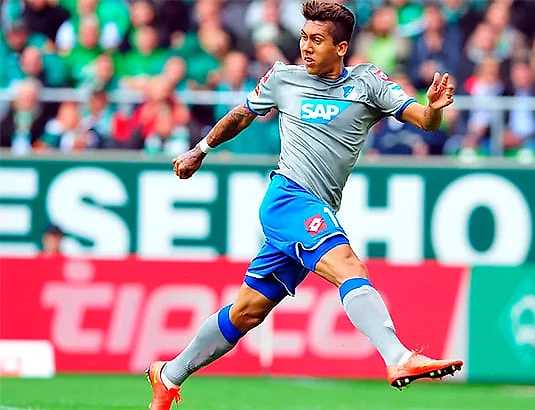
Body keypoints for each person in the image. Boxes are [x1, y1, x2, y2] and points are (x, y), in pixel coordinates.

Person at [145, 2, 462, 409]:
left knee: (246, 313)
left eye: (317, 40)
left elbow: (425, 121)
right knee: (349, 267)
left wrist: (433, 108)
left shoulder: (368, 83)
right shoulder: (283, 78)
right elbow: (242, 115)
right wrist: (200, 150)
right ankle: (398, 356)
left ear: (341, 48)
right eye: (303, 38)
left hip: (316, 206)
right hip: (288, 198)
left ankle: (169, 374)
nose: (306, 47)